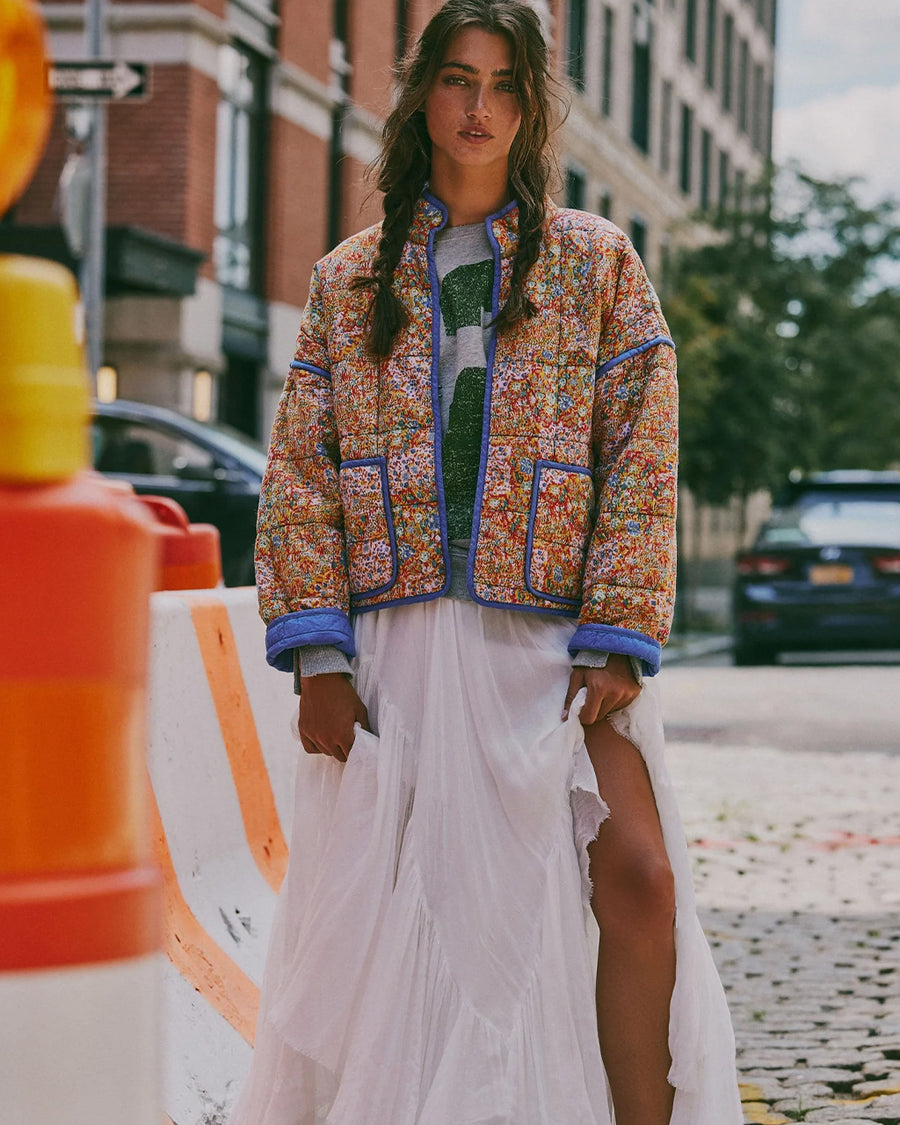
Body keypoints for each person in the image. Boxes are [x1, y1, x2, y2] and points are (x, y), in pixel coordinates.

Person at [231, 2, 742, 1123]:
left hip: (556, 645)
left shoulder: (597, 265)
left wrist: (618, 632)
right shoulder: (347, 280)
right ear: (422, 95)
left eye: (505, 86)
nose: (478, 107)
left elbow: (641, 455)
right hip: (399, 650)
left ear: (533, 108)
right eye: (459, 80)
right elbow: (301, 477)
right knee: (415, 929)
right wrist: (316, 652)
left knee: (639, 883)